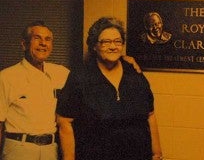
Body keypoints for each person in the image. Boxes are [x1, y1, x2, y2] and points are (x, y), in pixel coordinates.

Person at [56, 17, 162, 160]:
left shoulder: (135, 75)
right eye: (106, 42)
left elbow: (150, 115)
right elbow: (64, 122)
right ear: (94, 45)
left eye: (117, 41)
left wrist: (157, 154)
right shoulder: (80, 78)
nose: (113, 46)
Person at [0, 21, 70, 160]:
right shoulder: (6, 77)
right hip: (18, 150)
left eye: (48, 39)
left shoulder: (61, 74)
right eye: (37, 38)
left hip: (50, 151)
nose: (43, 43)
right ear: (24, 44)